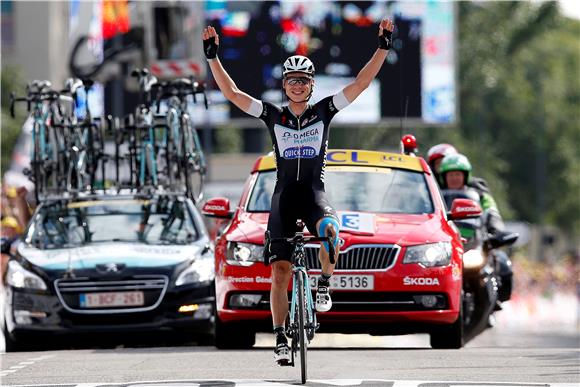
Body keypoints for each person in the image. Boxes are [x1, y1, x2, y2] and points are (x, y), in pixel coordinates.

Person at [202, 18, 395, 365]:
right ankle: (279, 337)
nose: (296, 86)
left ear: (311, 85)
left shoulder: (325, 111)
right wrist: (213, 57)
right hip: (284, 197)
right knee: (280, 271)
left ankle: (323, 283)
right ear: (284, 84)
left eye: (303, 81)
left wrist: (382, 47)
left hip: (314, 194)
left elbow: (362, 83)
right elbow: (232, 94)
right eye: (291, 80)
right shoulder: (272, 114)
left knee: (332, 234)